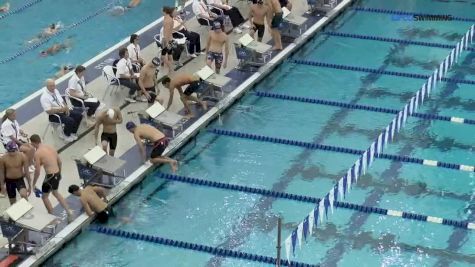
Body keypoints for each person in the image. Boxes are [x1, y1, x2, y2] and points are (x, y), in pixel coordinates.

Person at [31, 134, 73, 221]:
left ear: (34, 143)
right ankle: (69, 211)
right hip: (57, 173)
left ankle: (52, 218)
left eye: (32, 144)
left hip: (50, 176)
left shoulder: (37, 153)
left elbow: (37, 171)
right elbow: (60, 162)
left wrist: (33, 184)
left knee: (44, 197)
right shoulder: (50, 147)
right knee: (55, 193)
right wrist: (60, 174)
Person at [161, 7, 176, 74]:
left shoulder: (167, 20)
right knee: (170, 55)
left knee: (163, 56)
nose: (161, 12)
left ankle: (170, 68)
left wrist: (166, 42)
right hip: (170, 39)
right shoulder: (169, 18)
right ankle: (171, 69)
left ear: (165, 11)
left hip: (167, 40)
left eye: (161, 11)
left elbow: (167, 32)